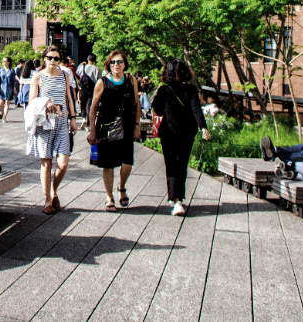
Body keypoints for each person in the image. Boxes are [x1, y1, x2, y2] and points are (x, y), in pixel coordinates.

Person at [152, 59, 210, 216]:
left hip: (169, 132)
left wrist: (157, 97)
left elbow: (157, 110)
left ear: (167, 73)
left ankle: (175, 200)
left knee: (171, 165)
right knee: (182, 164)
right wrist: (203, 127)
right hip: (187, 133)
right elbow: (197, 110)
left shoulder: (164, 90)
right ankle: (179, 198)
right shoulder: (191, 90)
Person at [87, 50, 141, 211]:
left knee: (127, 162)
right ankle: (109, 196)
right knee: (108, 164)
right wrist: (92, 130)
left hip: (126, 125)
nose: (116, 65)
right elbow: (93, 107)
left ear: (125, 64)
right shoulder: (102, 82)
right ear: (108, 64)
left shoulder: (131, 80)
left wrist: (137, 124)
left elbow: (137, 103)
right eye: (113, 62)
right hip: (106, 127)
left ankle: (122, 187)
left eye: (119, 62)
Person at [26, 45, 77, 215]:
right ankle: (47, 199)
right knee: (46, 163)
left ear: (60, 60)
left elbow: (69, 97)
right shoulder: (38, 77)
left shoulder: (64, 75)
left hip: (62, 121)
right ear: (44, 59)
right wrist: (46, 101)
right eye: (50, 58)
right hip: (45, 123)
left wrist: (74, 118)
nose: (53, 61)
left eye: (56, 58)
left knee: (63, 163)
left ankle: (54, 189)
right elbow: (31, 100)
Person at [77, 55, 100, 124]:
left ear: (87, 59)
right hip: (92, 88)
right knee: (90, 104)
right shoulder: (96, 68)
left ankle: (83, 118)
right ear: (95, 60)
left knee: (83, 103)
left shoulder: (83, 67)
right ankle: (88, 122)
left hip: (83, 88)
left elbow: (77, 73)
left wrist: (81, 65)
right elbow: (99, 79)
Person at [0, 57, 17, 122]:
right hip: (2, 88)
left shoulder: (12, 70)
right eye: (3, 61)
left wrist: (14, 89)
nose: (3, 62)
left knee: (7, 103)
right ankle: (2, 112)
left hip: (9, 88)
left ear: (8, 62)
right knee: (0, 103)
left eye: (5, 61)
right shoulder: (0, 70)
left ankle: (4, 117)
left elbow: (13, 80)